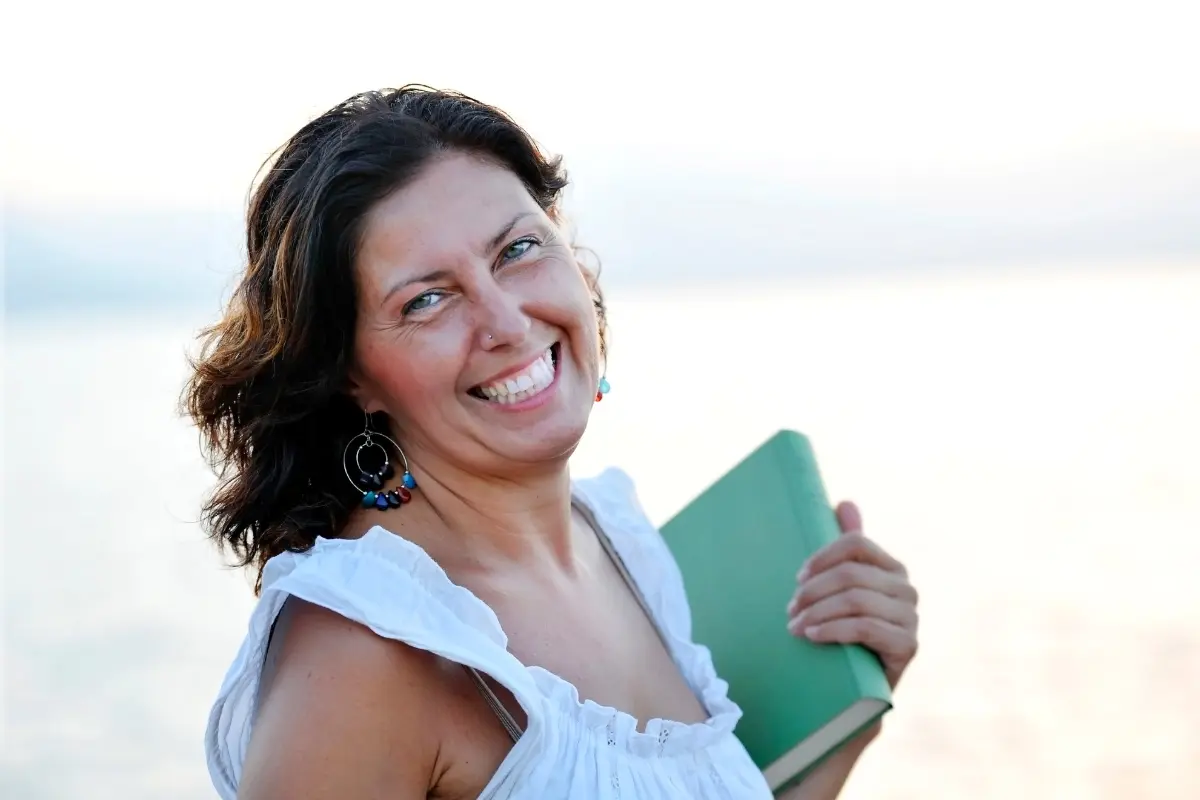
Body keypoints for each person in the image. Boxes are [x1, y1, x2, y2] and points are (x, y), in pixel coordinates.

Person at [184, 86, 920, 800]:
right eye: (427, 299)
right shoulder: (367, 650)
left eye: (518, 249)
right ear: (350, 376)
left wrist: (854, 707)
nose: (505, 321)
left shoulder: (622, 546)